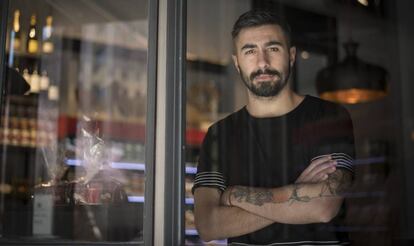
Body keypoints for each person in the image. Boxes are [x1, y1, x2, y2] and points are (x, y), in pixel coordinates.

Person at [192, 10, 355, 245]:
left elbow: (323, 207)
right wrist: (299, 192)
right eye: (250, 51)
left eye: (273, 48)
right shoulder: (220, 134)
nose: (263, 63)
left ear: (291, 56)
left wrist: (234, 195)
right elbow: (208, 226)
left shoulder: (329, 117)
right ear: (237, 63)